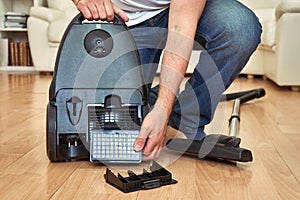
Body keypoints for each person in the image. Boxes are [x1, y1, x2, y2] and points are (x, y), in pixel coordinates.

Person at [72, 0, 262, 161]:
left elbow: (181, 26)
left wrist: (163, 109)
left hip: (181, 11)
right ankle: (150, 100)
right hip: (123, 17)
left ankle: (188, 118)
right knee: (112, 129)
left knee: (240, 29)